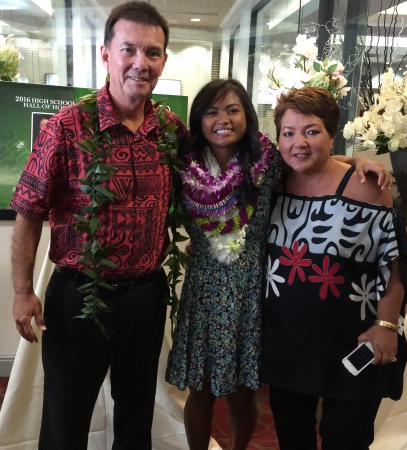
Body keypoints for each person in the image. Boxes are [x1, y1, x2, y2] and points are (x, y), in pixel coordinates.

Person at [165, 79, 393, 450]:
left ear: (247, 116)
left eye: (233, 110)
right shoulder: (183, 165)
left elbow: (311, 160)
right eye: (211, 112)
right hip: (204, 293)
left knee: (243, 394)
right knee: (200, 391)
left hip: (254, 293)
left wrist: (357, 161)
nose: (223, 119)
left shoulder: (265, 161)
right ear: (199, 120)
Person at [10, 2, 185, 449]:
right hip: (78, 297)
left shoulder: (171, 130)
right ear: (105, 54)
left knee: (136, 416)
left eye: (153, 52)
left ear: (164, 60)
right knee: (66, 419)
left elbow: (220, 169)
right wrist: (22, 291)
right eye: (129, 49)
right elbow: (28, 210)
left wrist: (338, 163)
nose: (141, 63)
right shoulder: (66, 127)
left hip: (145, 296)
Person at [262, 86, 407, 450]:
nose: (299, 142)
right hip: (287, 343)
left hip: (354, 339)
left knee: (347, 437)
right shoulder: (271, 185)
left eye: (312, 131)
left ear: (331, 135)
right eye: (288, 133)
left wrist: (386, 326)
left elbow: (393, 267)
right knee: (292, 436)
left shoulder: (367, 188)